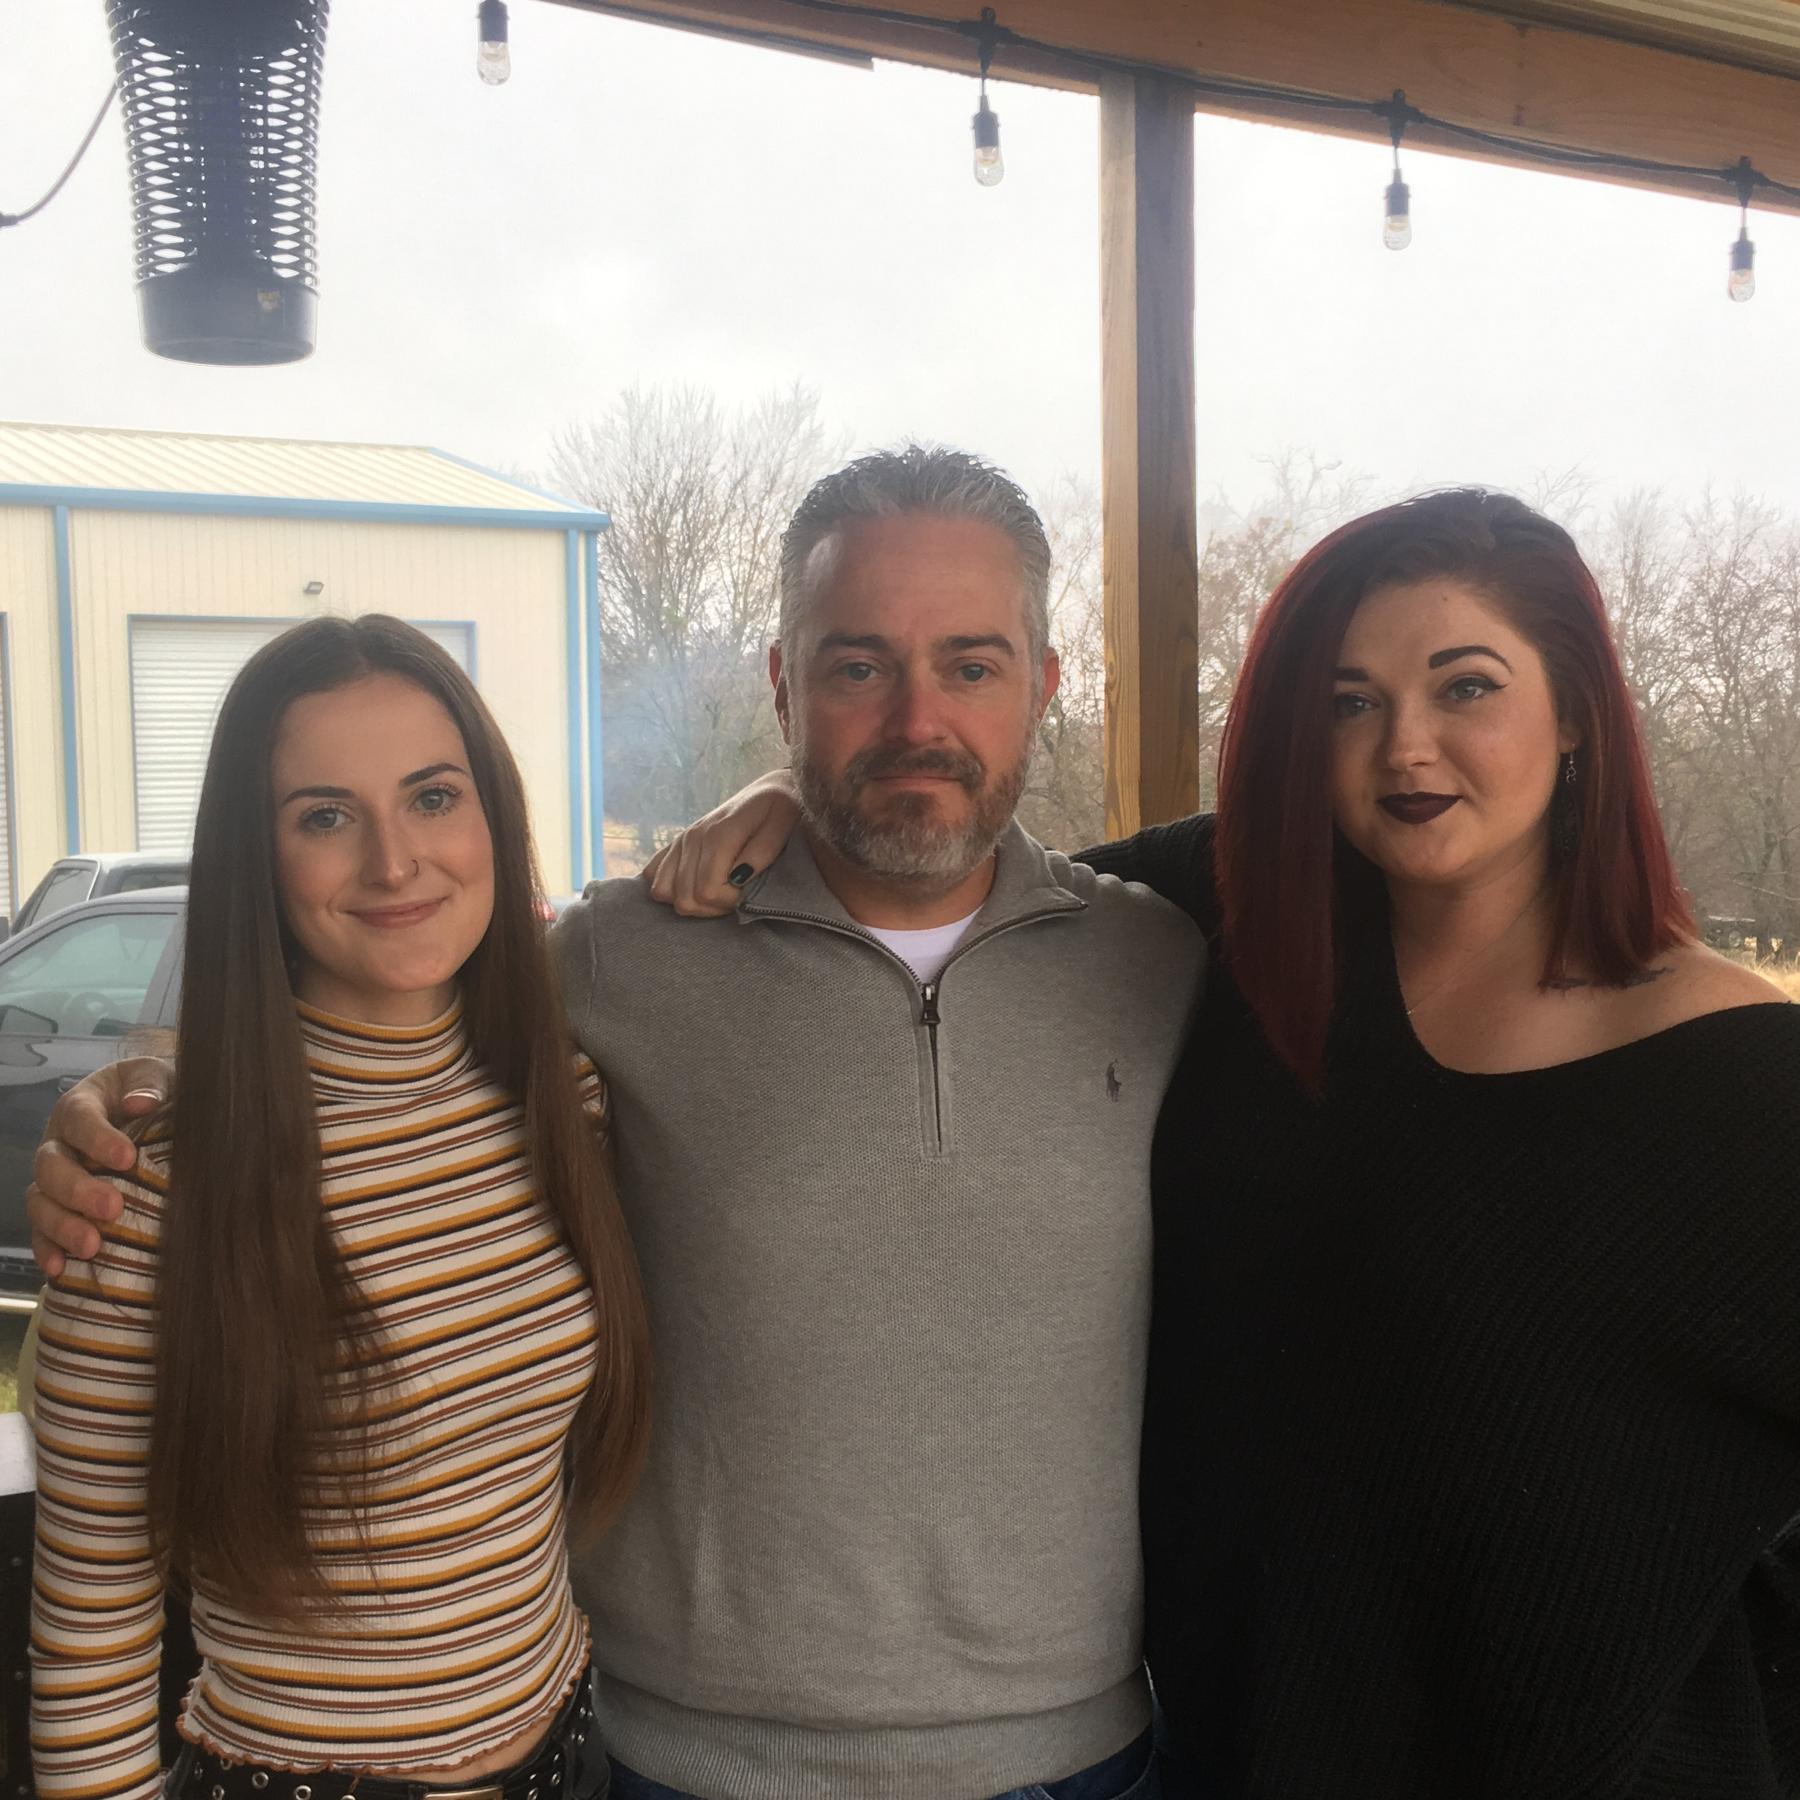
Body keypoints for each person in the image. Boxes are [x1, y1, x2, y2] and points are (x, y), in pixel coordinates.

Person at [30, 448, 1205, 1800]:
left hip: (1066, 1755)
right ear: (785, 686)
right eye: (858, 666)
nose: (915, 718)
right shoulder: (611, 967)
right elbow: (355, 1015)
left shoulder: (1157, 966)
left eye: (972, 665)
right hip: (678, 1763)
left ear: (1045, 685)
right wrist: (134, 1104)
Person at [651, 486, 1800, 1796]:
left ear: (1578, 709)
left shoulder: (1739, 1081)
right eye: (1350, 701)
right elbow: (955, 859)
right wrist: (789, 793)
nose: (1406, 747)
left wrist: (1714, 1707)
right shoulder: (1247, 914)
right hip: (1222, 1755)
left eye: (1467, 688)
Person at [29, 615, 651, 1800]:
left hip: (572, 1752)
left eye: (433, 797)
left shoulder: (565, 1104)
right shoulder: (150, 1187)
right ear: (253, 858)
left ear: (492, 816)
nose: (395, 863)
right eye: (324, 817)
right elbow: (91, 1643)